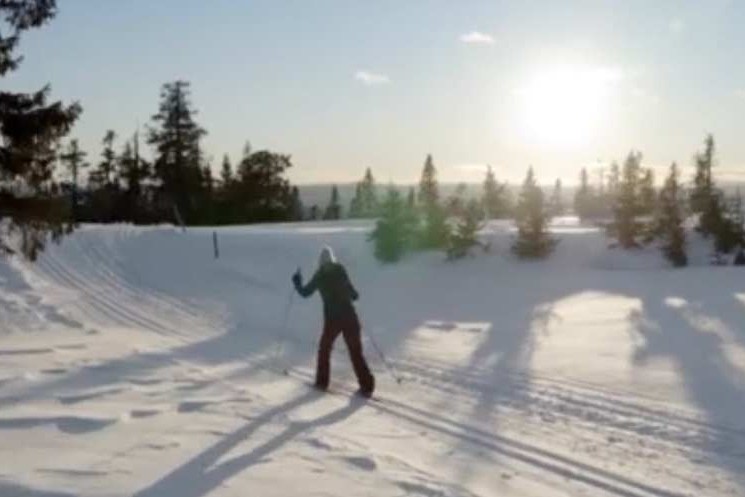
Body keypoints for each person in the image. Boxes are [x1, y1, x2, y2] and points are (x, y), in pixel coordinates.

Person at [292, 246, 375, 397]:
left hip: (333, 320)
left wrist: (297, 282)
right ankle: (367, 385)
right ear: (332, 258)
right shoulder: (340, 269)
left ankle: (322, 382)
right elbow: (351, 291)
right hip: (350, 317)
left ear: (320, 261)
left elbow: (305, 293)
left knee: (325, 349)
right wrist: (353, 295)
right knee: (355, 351)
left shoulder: (320, 275)